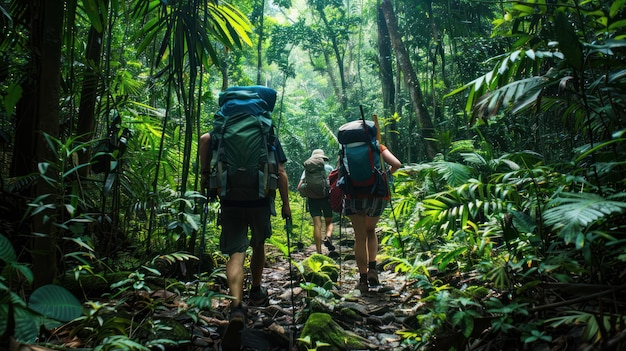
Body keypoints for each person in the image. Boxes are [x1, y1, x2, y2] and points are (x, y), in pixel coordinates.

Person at [199, 93, 291, 351]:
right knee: (258, 244)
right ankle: (258, 290)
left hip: (230, 196)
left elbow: (205, 140)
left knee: (236, 253)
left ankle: (236, 306)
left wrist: (206, 176)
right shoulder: (265, 128)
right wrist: (285, 204)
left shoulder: (223, 126)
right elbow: (281, 172)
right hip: (260, 198)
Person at [344, 144, 401, 293]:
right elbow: (397, 164)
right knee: (370, 230)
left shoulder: (345, 149)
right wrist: (386, 174)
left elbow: (342, 172)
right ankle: (373, 270)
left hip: (353, 195)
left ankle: (363, 280)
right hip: (377, 194)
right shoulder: (377, 146)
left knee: (360, 236)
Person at [297, 149, 335, 254]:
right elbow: (333, 184)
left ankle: (319, 252)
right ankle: (328, 236)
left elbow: (299, 187)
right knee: (329, 222)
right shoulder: (328, 168)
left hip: (312, 199)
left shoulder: (307, 170)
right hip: (326, 198)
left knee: (317, 224)